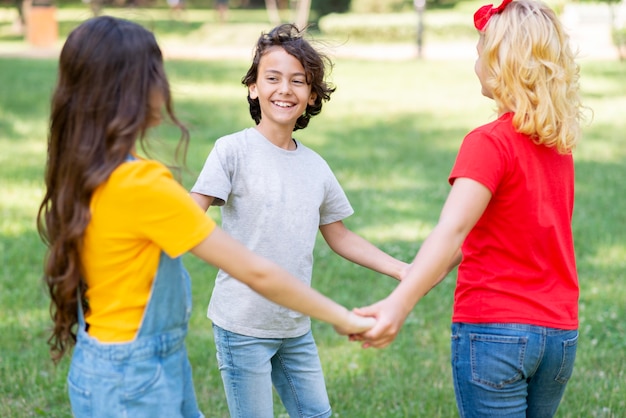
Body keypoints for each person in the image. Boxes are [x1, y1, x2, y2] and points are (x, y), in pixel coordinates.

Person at [36, 16, 375, 418]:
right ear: (140, 91)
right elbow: (256, 272)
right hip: (137, 379)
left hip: (103, 366)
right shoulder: (143, 185)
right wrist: (344, 317)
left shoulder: (85, 173)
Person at [353, 0, 585, 416]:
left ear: (501, 62)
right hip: (559, 336)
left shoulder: (488, 143)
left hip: (495, 332)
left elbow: (452, 230)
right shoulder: (558, 147)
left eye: (481, 49)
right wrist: (420, 276)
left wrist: (399, 303)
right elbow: (485, 234)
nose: (475, 58)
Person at [190, 23, 408, 418]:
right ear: (253, 87)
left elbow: (339, 235)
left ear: (311, 97)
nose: (284, 89)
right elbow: (189, 216)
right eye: (272, 78)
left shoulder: (315, 167)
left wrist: (402, 270)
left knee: (317, 413)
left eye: (298, 81)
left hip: (294, 326)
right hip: (242, 325)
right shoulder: (232, 151)